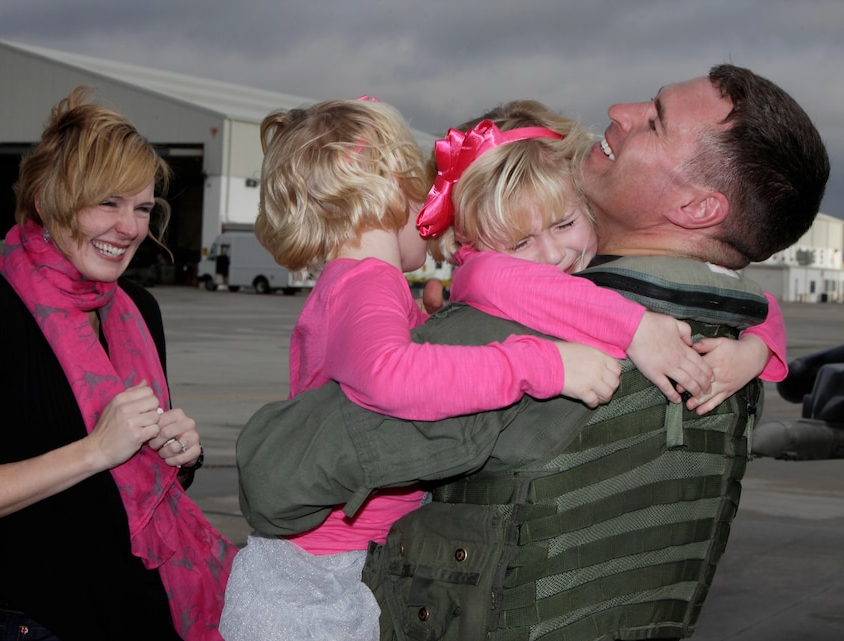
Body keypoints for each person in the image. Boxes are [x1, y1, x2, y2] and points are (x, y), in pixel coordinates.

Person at [235, 64, 829, 641]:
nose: (618, 112)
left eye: (653, 120)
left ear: (698, 208)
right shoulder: (724, 321)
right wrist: (753, 351)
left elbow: (273, 482)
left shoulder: (512, 326)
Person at [0, 87, 235, 641]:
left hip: (145, 612)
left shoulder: (137, 310)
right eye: (108, 202)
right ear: (48, 200)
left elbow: (133, 488)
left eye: (143, 208)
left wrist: (180, 455)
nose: (130, 228)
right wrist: (92, 452)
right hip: (35, 623)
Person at [414, 99, 786, 415]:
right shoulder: (481, 274)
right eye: (519, 244)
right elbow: (489, 278)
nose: (553, 255)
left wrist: (754, 353)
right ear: (468, 241)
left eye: (564, 224)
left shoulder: (602, 257)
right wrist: (636, 328)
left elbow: (760, 303)